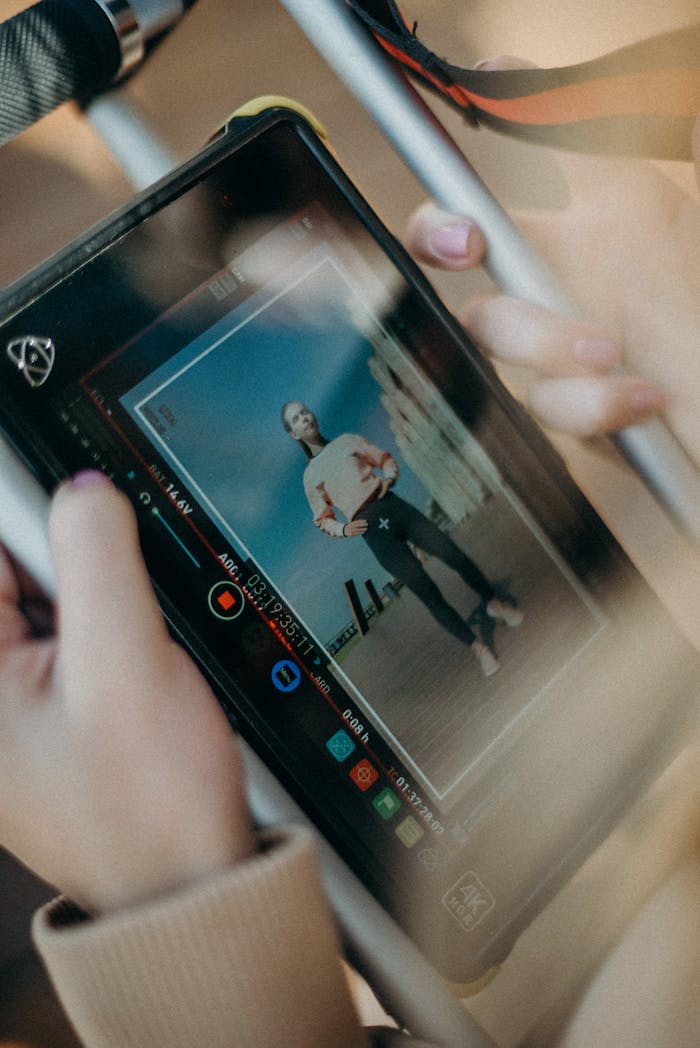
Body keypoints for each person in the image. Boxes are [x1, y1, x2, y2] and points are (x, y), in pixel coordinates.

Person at [0, 59, 697, 1048]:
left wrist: (173, 907)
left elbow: (374, 457)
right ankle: (484, 627)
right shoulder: (319, 476)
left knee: (447, 560)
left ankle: (490, 608)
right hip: (378, 531)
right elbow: (331, 517)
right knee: (423, 582)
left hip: (401, 522)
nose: (296, 419)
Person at [281, 400, 523, 677]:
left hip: (394, 508)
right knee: (427, 591)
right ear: (294, 434)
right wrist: (344, 529)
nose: (304, 418)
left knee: (452, 553)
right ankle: (479, 648)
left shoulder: (347, 441)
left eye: (304, 412)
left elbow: (383, 458)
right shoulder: (310, 476)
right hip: (373, 534)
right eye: (296, 419)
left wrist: (390, 476)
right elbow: (322, 518)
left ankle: (494, 603)